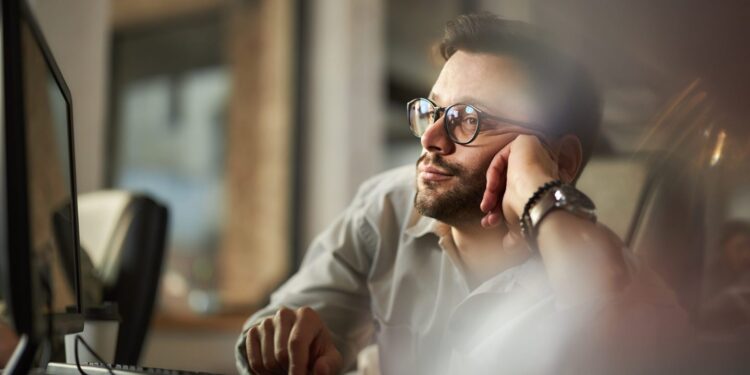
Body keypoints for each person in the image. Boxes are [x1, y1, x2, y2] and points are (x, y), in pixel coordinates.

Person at [236, 13, 688, 374]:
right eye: (432, 111)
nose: (431, 137)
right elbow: (277, 331)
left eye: (470, 118)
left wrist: (539, 195)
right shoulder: (387, 208)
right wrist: (283, 346)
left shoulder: (600, 274)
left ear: (560, 161)